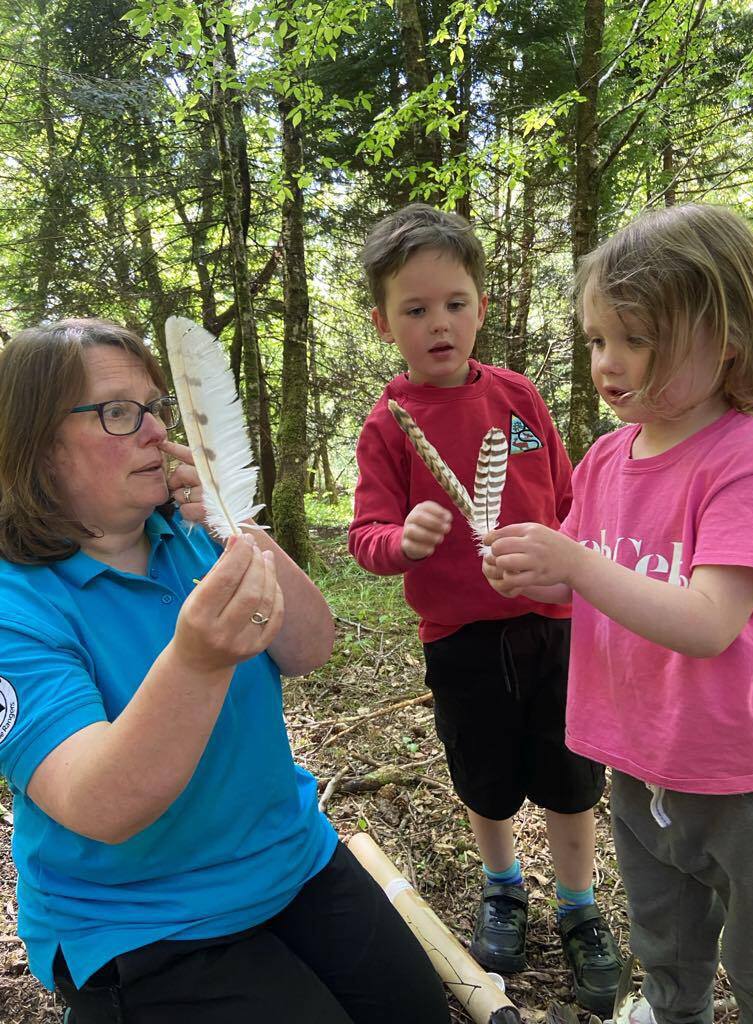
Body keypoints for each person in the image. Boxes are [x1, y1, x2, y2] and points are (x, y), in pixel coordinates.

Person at [0, 318, 450, 1024]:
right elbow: (99, 804)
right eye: (119, 412)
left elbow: (308, 648)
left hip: (289, 856)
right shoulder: (15, 602)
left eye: (154, 407)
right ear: (36, 442)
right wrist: (197, 659)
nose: (154, 432)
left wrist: (236, 524)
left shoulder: (187, 533)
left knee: (417, 1012)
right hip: (141, 919)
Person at [483, 204, 753, 1024]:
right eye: (598, 339)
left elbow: (711, 620)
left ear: (728, 338)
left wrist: (573, 563)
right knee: (662, 926)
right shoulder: (610, 455)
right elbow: (585, 582)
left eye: (636, 339)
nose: (609, 363)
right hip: (638, 752)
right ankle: (673, 1009)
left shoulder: (742, 462)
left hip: (735, 771)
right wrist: (536, 575)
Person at [348, 203, 622, 1016]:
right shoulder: (388, 424)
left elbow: (572, 499)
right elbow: (365, 535)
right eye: (416, 309)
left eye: (455, 303)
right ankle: (503, 886)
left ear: (482, 306)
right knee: (485, 770)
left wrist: (568, 559)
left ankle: (578, 905)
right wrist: (406, 540)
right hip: (461, 638)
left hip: (556, 624)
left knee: (571, 774)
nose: (440, 324)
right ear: (383, 323)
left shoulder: (517, 396)